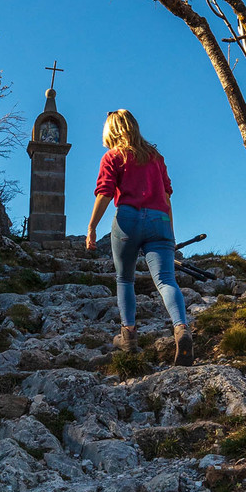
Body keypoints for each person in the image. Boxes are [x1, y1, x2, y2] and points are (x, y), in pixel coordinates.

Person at [84, 108, 194, 362]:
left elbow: (105, 192)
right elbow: (166, 197)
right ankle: (181, 328)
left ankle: (129, 337)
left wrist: (91, 227)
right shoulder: (156, 158)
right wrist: (171, 233)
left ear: (111, 131)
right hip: (160, 220)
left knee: (125, 279)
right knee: (166, 280)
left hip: (128, 219)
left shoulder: (113, 156)